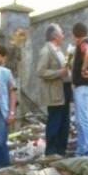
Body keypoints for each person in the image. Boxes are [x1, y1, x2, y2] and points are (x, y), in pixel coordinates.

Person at [36, 23, 71, 156]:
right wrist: (59, 73)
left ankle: (61, 150)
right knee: (55, 120)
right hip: (55, 92)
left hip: (64, 89)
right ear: (55, 35)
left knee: (64, 121)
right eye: (61, 32)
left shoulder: (59, 50)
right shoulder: (46, 51)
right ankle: (51, 151)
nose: (63, 35)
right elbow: (41, 71)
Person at [70, 22, 88, 156]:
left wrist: (83, 68)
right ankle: (81, 149)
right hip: (87, 87)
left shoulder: (84, 45)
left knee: (84, 119)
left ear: (76, 36)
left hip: (82, 88)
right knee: (81, 120)